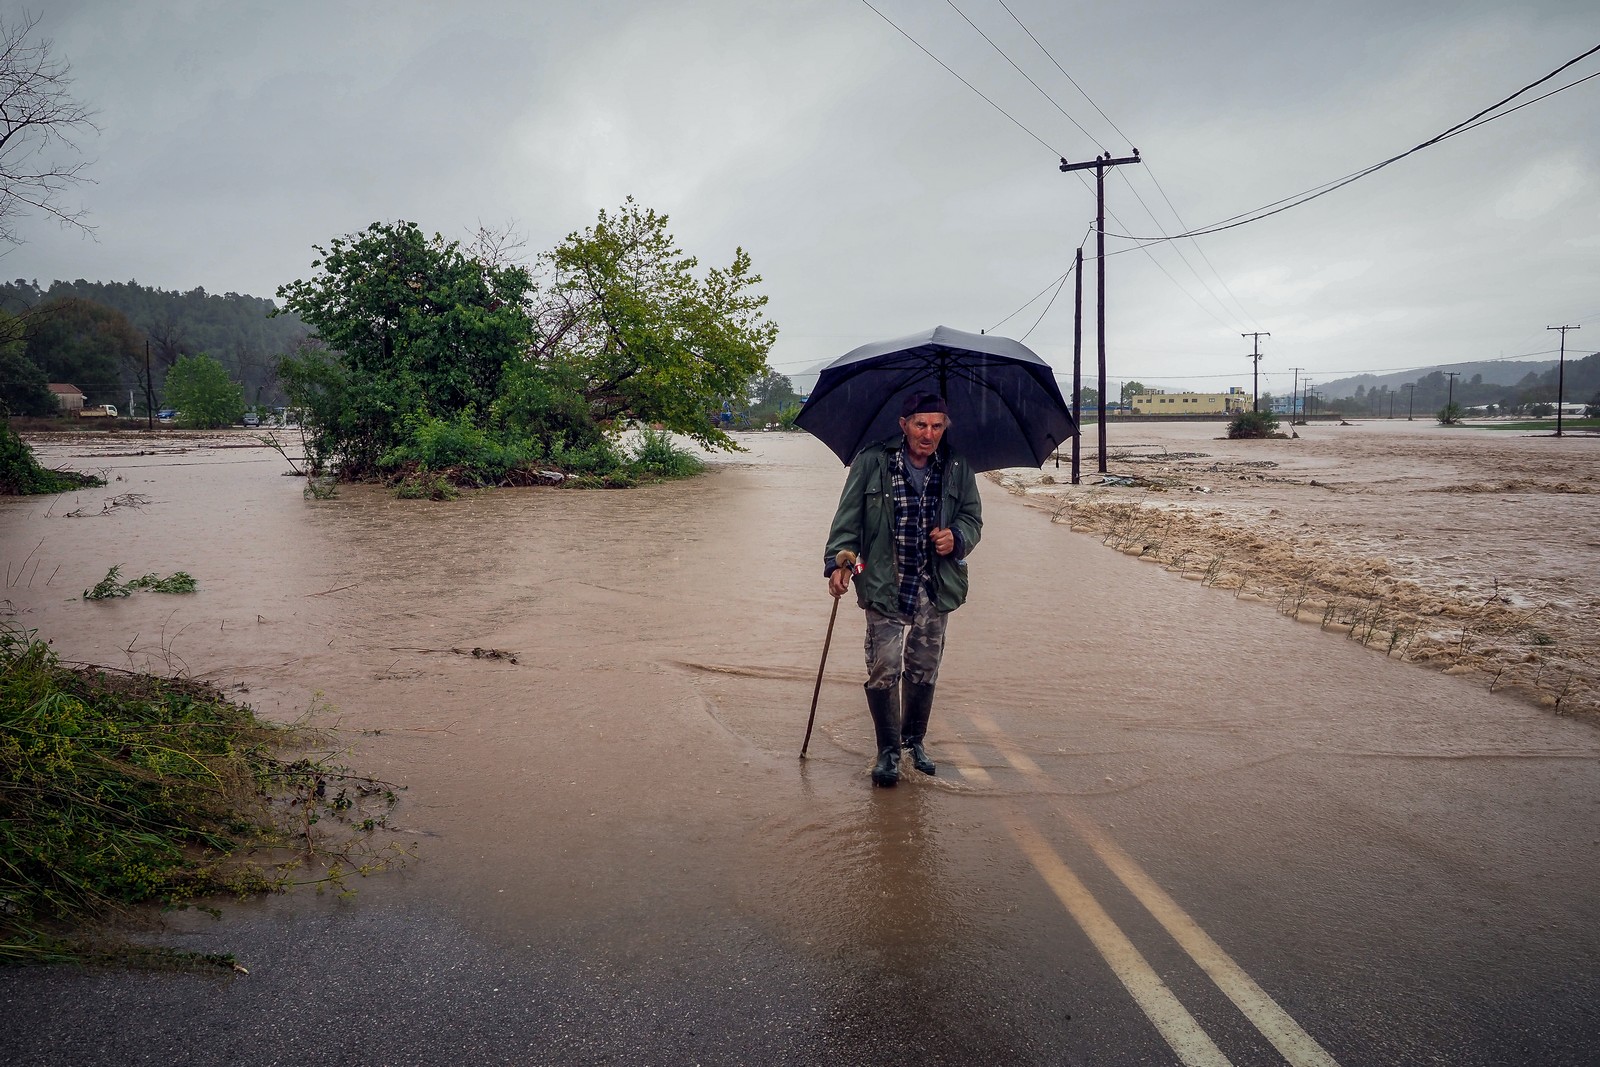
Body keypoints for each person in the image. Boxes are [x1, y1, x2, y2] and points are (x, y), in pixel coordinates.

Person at [823, 391, 982, 787]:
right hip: (884, 583)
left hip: (935, 584)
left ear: (945, 427)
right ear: (903, 425)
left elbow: (972, 518)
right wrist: (839, 565)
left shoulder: (958, 465)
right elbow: (848, 521)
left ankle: (914, 745)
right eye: (920, 425)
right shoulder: (872, 461)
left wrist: (956, 537)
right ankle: (888, 753)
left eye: (937, 426)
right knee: (884, 668)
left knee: (924, 669)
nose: (928, 434)